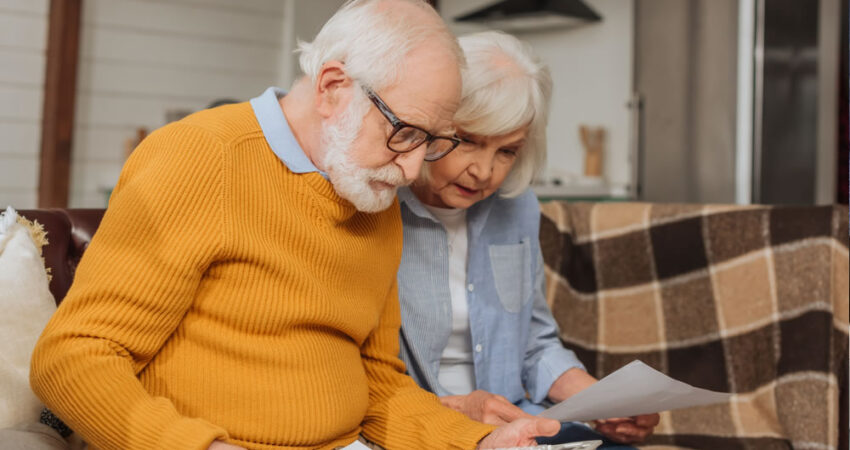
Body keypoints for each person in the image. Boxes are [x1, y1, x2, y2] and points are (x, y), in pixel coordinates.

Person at [29, 3, 560, 449]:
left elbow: (377, 386)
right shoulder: (199, 156)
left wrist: (475, 441)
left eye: (434, 142)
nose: (412, 169)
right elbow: (74, 356)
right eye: (405, 133)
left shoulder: (370, 188)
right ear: (333, 86)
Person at [396, 31, 660, 448]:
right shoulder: (378, 210)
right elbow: (362, 376)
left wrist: (601, 402)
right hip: (425, 432)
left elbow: (535, 346)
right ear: (433, 125)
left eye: (507, 151)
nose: (485, 172)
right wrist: (456, 409)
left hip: (522, 429)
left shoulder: (516, 207)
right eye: (469, 141)